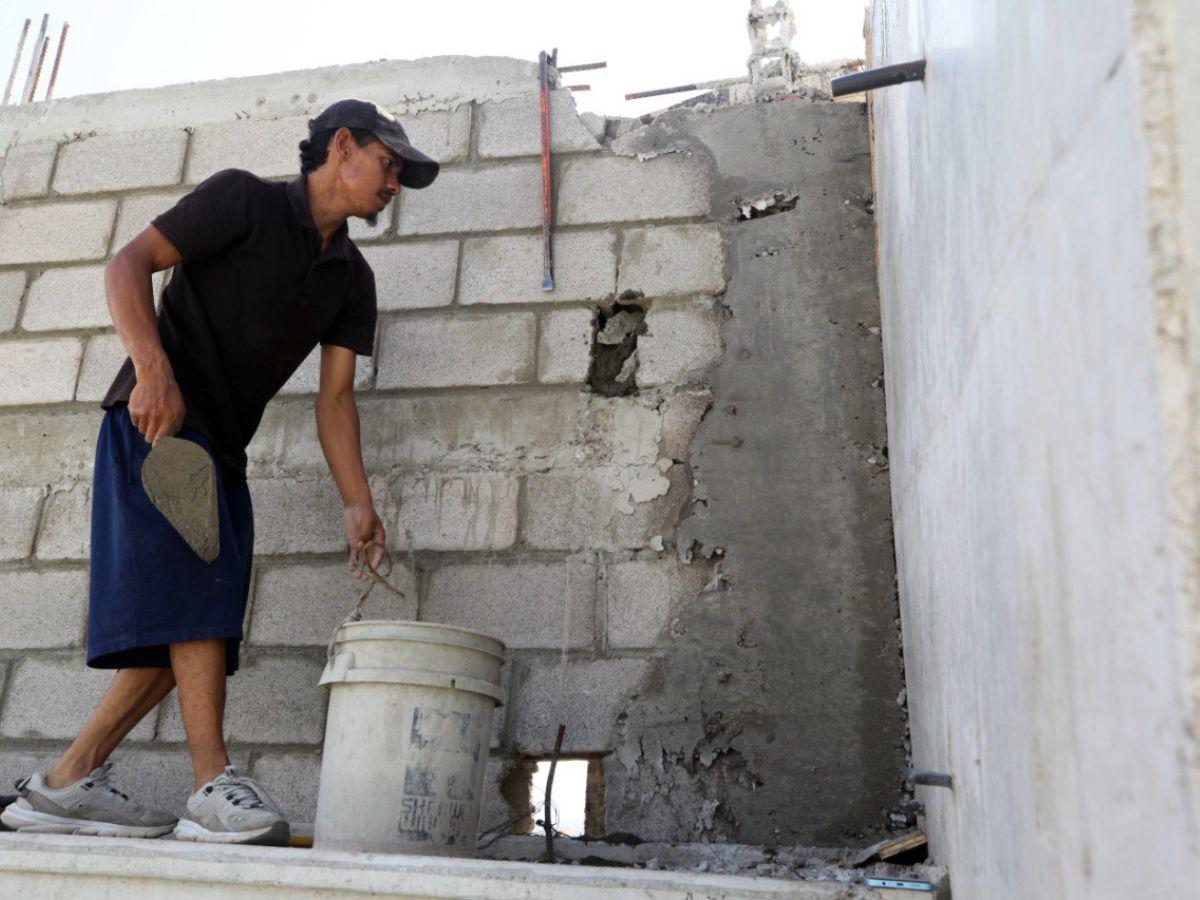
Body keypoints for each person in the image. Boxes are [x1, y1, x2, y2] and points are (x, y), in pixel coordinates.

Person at [0, 99, 439, 845]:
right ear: (342, 147)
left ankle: (66, 782)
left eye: (401, 172)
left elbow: (335, 402)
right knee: (198, 605)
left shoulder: (349, 280)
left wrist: (357, 503)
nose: (394, 182)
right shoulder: (242, 200)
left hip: (222, 452)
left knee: (193, 635)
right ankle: (212, 786)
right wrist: (151, 367)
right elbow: (127, 264)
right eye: (388, 163)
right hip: (159, 426)